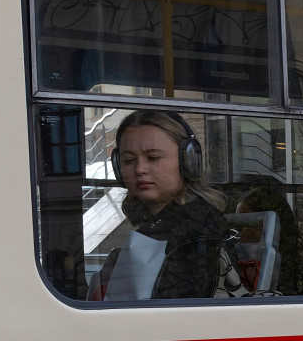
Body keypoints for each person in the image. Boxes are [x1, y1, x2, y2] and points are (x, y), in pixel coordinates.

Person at [97, 110, 231, 301]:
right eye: (129, 160)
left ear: (187, 161)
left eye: (153, 157)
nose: (140, 169)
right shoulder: (156, 228)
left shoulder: (199, 230)